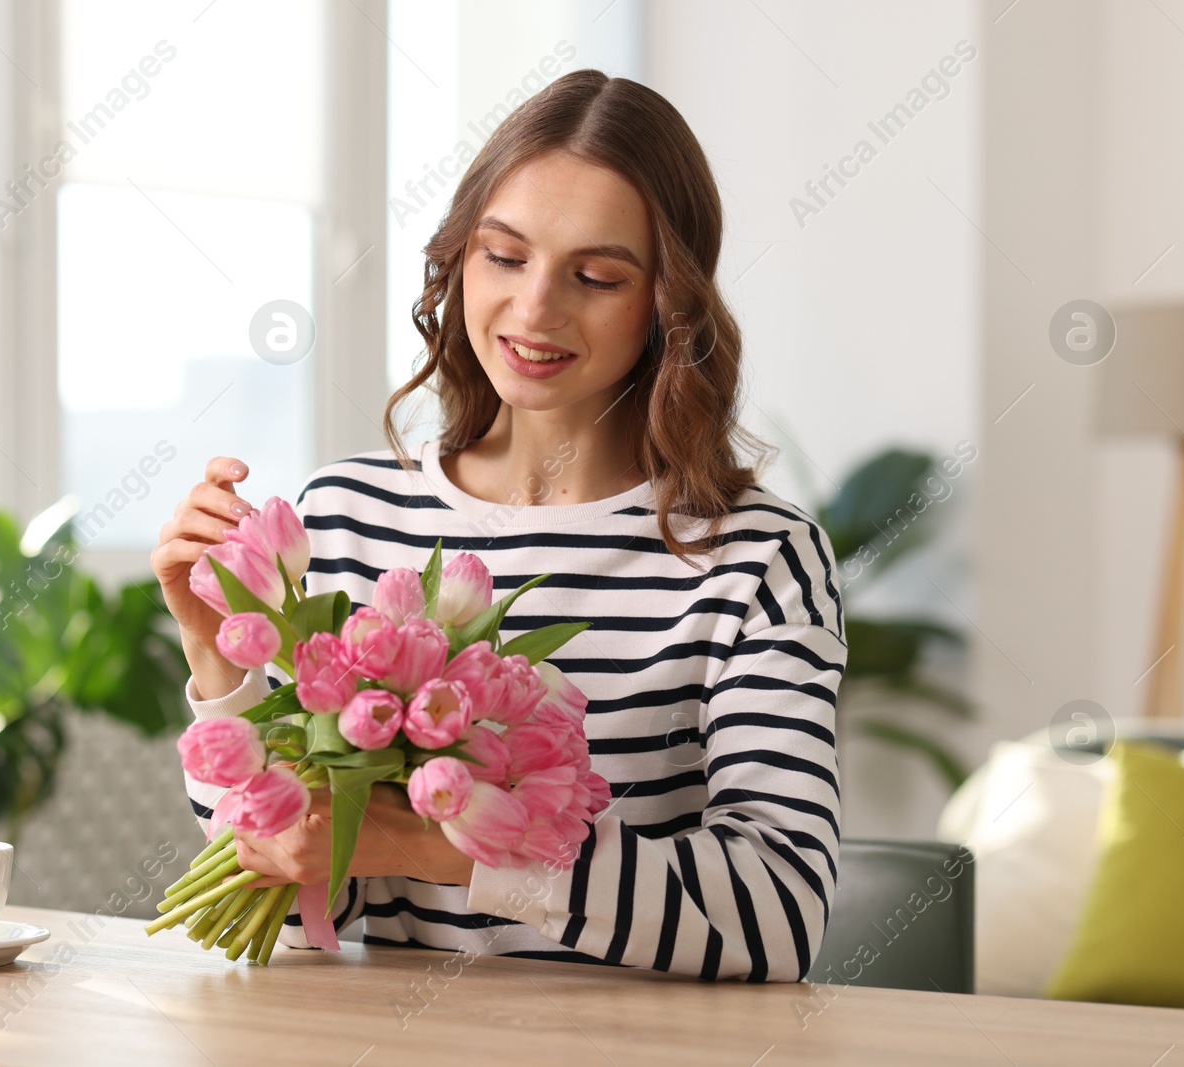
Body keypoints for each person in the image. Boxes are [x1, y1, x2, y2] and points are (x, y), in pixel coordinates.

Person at [151, 69, 845, 982]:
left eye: (596, 276)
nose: (534, 309)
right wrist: (220, 663)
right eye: (505, 257)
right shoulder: (343, 518)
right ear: (458, 262)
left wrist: (446, 846)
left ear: (668, 305)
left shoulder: (755, 558)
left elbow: (776, 915)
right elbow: (300, 907)